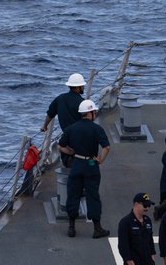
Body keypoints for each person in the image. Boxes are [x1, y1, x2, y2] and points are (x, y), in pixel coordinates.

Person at [58, 99, 111, 239]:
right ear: (91, 113)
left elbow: (60, 145)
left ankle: (71, 227)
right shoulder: (96, 129)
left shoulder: (71, 128)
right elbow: (106, 147)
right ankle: (97, 228)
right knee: (92, 196)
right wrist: (100, 159)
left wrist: (71, 152)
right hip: (91, 165)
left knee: (73, 194)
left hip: (76, 164)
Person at [118, 192, 157, 265]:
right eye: (145, 205)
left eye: (148, 205)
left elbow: (150, 240)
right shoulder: (125, 222)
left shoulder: (147, 220)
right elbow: (123, 245)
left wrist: (152, 254)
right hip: (134, 262)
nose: (147, 208)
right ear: (136, 204)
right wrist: (128, 260)